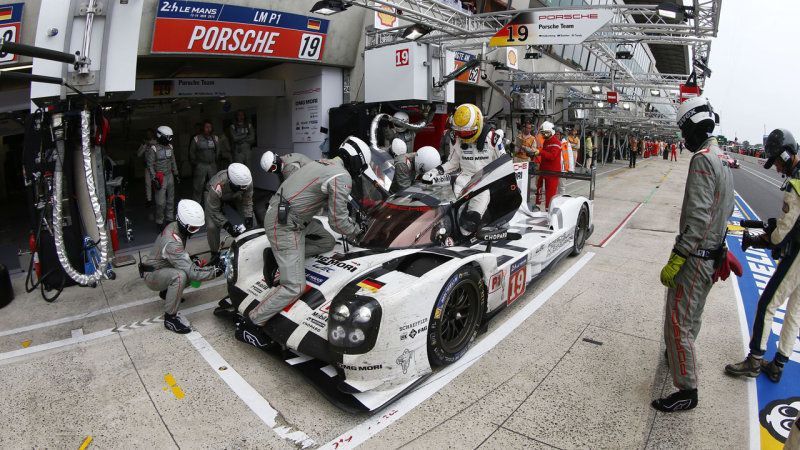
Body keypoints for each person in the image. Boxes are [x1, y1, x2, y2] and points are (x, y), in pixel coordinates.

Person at [235, 137, 372, 348]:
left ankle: (281, 256)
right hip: (287, 224)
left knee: (326, 241)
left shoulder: (321, 163)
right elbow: (338, 222)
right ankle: (250, 323)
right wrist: (357, 230)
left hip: (289, 217)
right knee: (294, 286)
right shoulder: (341, 176)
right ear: (356, 161)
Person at [652, 97, 733, 413]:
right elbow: (724, 210)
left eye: (686, 129)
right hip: (710, 255)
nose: (684, 137)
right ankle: (678, 359)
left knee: (678, 321)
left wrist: (678, 256)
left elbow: (699, 217)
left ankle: (687, 389)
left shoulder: (702, 159)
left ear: (696, 125)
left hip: (696, 258)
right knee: (691, 318)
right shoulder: (722, 158)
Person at [725, 128, 800, 383]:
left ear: (788, 154)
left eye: (778, 161)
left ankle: (754, 361)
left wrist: (766, 238)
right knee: (795, 312)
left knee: (767, 304)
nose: (778, 168)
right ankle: (778, 365)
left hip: (797, 257)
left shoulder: (796, 183)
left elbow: (782, 235)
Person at [141, 199, 223, 334]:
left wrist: (195, 262)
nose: (195, 232)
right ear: (182, 222)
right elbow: (193, 273)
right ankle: (170, 318)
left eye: (197, 228)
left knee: (193, 265)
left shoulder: (176, 226)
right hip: (152, 276)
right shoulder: (172, 241)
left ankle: (167, 292)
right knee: (181, 276)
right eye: (192, 228)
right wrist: (216, 271)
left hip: (163, 267)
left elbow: (180, 257)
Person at [422, 103, 505, 233]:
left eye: (467, 132)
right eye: (460, 132)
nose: (463, 135)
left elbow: (503, 163)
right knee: (448, 214)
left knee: (471, 221)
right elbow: (452, 163)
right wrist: (436, 171)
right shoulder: (455, 138)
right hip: (463, 180)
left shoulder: (493, 139)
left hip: (484, 182)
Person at [205, 163, 254, 265]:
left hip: (235, 195)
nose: (245, 188)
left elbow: (247, 202)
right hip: (214, 198)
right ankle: (215, 254)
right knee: (211, 226)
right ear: (232, 183)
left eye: (245, 187)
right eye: (242, 187)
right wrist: (227, 226)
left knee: (251, 218)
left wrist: (248, 219)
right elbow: (214, 211)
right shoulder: (216, 185)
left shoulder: (246, 182)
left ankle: (252, 244)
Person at [146, 126, 180, 230]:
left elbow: (173, 161)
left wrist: (176, 174)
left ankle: (169, 220)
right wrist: (154, 178)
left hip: (169, 176)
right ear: (161, 136)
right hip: (160, 177)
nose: (170, 139)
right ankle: (159, 222)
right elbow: (150, 165)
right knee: (161, 202)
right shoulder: (154, 149)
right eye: (168, 137)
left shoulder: (170, 147)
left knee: (170, 200)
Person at [189, 120, 221, 203]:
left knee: (214, 186)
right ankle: (196, 205)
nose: (208, 129)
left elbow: (218, 151)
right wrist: (195, 163)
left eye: (210, 127)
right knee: (198, 187)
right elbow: (191, 152)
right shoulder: (196, 139)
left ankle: (213, 205)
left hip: (212, 165)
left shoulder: (215, 138)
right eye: (206, 127)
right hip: (201, 165)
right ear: (203, 128)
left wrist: (215, 161)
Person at [534, 121, 562, 210]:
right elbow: (545, 154)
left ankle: (548, 210)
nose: (544, 135)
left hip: (553, 172)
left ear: (551, 132)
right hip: (544, 169)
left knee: (550, 193)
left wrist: (540, 152)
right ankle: (537, 205)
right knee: (539, 188)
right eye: (543, 133)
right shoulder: (547, 141)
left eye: (545, 133)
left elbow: (552, 156)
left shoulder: (556, 142)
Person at [136, 129, 157, 209]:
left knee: (157, 182)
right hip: (147, 167)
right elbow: (138, 154)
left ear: (152, 134)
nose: (148, 135)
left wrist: (148, 144)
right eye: (147, 134)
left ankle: (158, 199)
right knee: (148, 184)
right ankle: (149, 200)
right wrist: (144, 146)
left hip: (156, 167)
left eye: (150, 133)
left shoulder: (156, 142)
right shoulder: (144, 144)